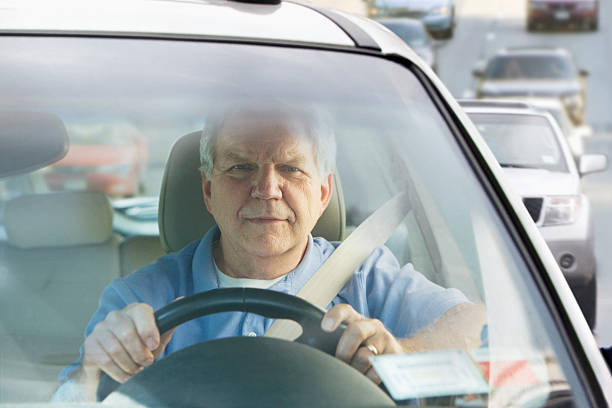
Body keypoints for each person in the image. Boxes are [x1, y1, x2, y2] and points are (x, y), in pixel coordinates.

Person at [52, 103, 486, 401]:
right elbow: (65, 402)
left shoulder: (366, 275)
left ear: (322, 192)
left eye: (291, 168)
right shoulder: (140, 299)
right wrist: (94, 371)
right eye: (241, 166)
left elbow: (477, 325)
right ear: (208, 189)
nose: (266, 189)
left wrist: (402, 357)